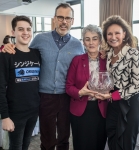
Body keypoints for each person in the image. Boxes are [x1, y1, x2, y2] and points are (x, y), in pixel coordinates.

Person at [2, 3, 85, 150]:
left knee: (64, 136)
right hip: (45, 97)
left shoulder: (78, 45)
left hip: (67, 97)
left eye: (67, 18)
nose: (64, 21)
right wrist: (8, 46)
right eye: (60, 17)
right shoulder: (40, 39)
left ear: (72, 21)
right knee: (47, 138)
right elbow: (24, 50)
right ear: (54, 19)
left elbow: (85, 66)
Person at [99, 15, 139, 150]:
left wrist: (113, 95)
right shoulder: (109, 54)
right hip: (113, 104)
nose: (113, 37)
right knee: (112, 137)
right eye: (109, 34)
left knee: (126, 142)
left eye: (117, 33)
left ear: (124, 34)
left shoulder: (133, 54)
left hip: (130, 104)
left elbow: (137, 85)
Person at [0, 16, 41, 150]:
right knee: (15, 147)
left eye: (28, 29)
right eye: (21, 29)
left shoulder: (36, 54)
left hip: (33, 111)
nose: (25, 32)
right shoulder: (6, 55)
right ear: (13, 32)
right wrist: (5, 116)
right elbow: (0, 88)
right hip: (15, 113)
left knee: (26, 145)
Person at [66, 24, 108, 150]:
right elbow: (68, 87)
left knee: (99, 144)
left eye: (94, 38)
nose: (91, 42)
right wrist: (80, 92)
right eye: (87, 39)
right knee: (81, 145)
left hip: (101, 109)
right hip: (81, 110)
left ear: (100, 40)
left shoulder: (107, 60)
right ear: (83, 42)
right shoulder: (77, 60)